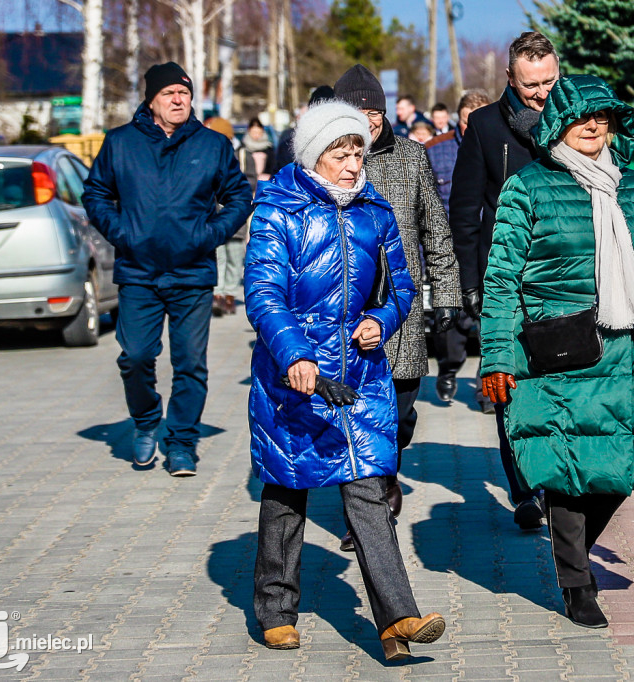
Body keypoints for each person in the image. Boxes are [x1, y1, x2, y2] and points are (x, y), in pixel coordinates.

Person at [479, 74, 634, 628]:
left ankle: (573, 556)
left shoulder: (629, 186)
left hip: (623, 350)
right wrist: (496, 356)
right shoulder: (527, 187)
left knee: (627, 467)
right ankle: (577, 582)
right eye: (583, 117)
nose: (593, 126)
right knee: (567, 472)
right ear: (559, 120)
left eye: (602, 117)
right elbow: (502, 279)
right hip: (557, 355)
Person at [245, 100, 445, 659]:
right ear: (315, 156)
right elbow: (262, 295)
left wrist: (379, 322)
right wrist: (294, 356)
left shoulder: (374, 212)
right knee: (287, 488)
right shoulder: (277, 210)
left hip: (359, 377)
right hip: (296, 377)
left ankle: (397, 618)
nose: (353, 162)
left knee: (368, 489)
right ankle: (276, 608)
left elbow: (402, 286)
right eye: (341, 152)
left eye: (358, 150)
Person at [83, 62, 252, 476]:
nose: (179, 100)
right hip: (138, 271)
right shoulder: (120, 143)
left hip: (192, 272)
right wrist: (123, 233)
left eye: (185, 93)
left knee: (190, 363)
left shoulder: (212, 145)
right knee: (136, 356)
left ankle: (181, 442)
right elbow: (96, 194)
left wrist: (208, 235)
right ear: (152, 100)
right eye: (169, 94)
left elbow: (239, 195)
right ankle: (144, 424)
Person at [333, 64, 461, 551]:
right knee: (357, 416)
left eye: (373, 111)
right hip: (345, 314)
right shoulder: (328, 162)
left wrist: (446, 295)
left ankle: (388, 472)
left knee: (400, 417)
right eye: (357, 111)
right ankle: (368, 509)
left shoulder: (410, 158)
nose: (366, 120)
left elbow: (436, 229)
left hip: (400, 314)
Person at [449, 31, 561, 530]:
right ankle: (525, 488)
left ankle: (558, 477)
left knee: (560, 382)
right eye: (532, 83)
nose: (541, 93)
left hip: (562, 276)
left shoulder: (572, 115)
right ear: (510, 78)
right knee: (508, 383)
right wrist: (470, 282)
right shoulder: (485, 126)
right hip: (504, 279)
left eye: (549, 81)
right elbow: (465, 210)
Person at [425, 89, 492, 403]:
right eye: (467, 122)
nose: (472, 128)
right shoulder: (435, 151)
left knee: (490, 319)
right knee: (451, 321)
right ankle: (449, 369)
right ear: (458, 119)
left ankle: (488, 389)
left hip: (490, 248)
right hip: (449, 250)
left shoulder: (499, 148)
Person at [205, 116, 252, 317]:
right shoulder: (208, 153)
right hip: (215, 216)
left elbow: (250, 183)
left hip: (235, 217)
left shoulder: (242, 154)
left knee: (234, 257)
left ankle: (230, 294)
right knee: (219, 257)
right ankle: (218, 295)